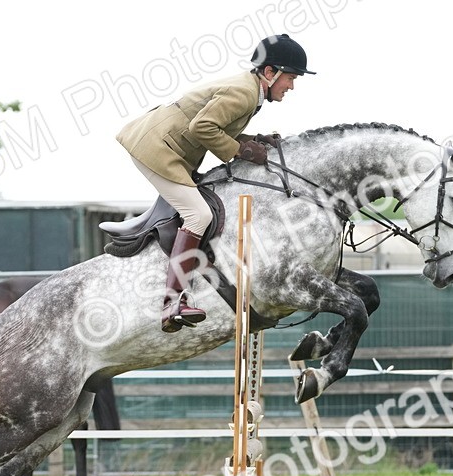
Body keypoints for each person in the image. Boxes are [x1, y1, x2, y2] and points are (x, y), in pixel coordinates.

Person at [116, 33, 315, 332]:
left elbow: (215, 126)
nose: (292, 86)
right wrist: (242, 150)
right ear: (270, 73)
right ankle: (173, 302)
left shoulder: (250, 91)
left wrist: (251, 140)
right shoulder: (244, 93)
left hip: (164, 144)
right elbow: (203, 127)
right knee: (199, 215)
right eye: (290, 77)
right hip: (154, 148)